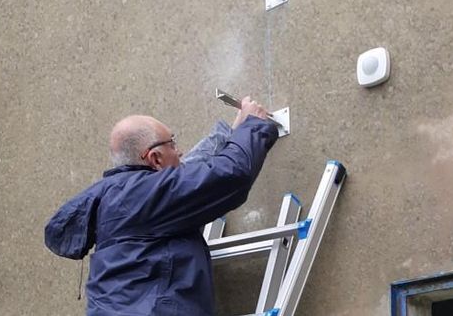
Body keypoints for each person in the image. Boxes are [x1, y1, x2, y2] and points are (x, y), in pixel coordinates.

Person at [45, 97, 279, 315]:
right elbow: (230, 176)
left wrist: (232, 134)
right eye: (173, 143)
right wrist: (253, 125)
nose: (179, 151)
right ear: (155, 158)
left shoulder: (119, 196)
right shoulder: (145, 194)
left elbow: (188, 173)